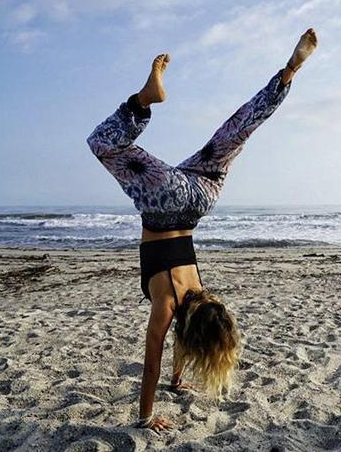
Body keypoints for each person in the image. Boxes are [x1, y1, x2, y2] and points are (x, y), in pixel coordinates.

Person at [87, 29, 318, 431]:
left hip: (200, 198)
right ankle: (144, 101)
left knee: (237, 131)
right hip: (164, 203)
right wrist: (146, 417)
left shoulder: (198, 290)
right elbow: (151, 360)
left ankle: (288, 73)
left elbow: (178, 342)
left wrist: (177, 382)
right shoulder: (169, 304)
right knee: (103, 144)